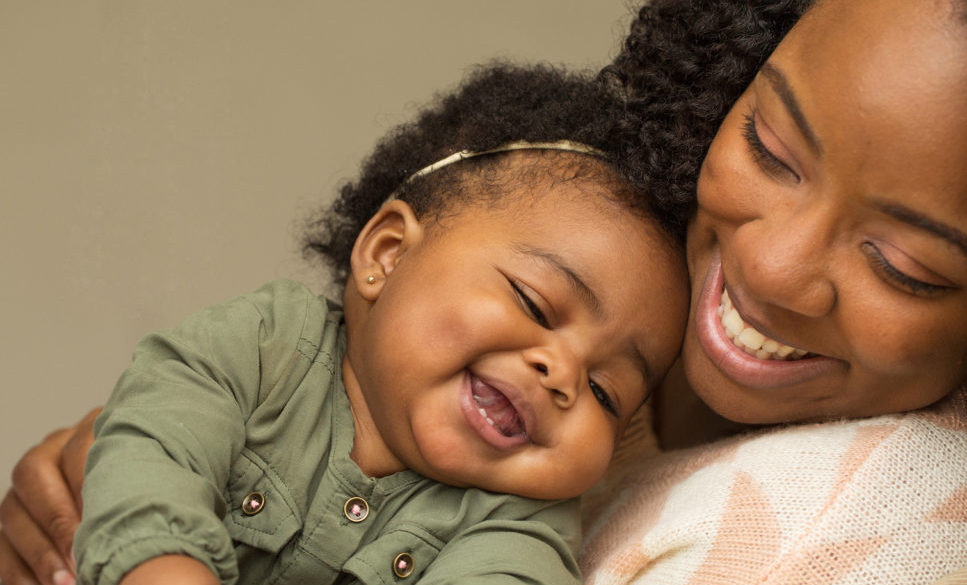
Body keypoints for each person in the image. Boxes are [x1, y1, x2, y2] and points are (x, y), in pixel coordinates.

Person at [4, 0, 967, 582]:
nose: (769, 266)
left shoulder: (920, 513)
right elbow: (165, 436)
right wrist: (117, 495)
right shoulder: (600, 256)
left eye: (905, 266)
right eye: (767, 143)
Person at [31, 63, 692, 585]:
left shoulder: (519, 519)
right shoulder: (265, 346)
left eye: (608, 394)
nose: (564, 373)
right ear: (388, 254)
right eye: (537, 304)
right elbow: (154, 448)